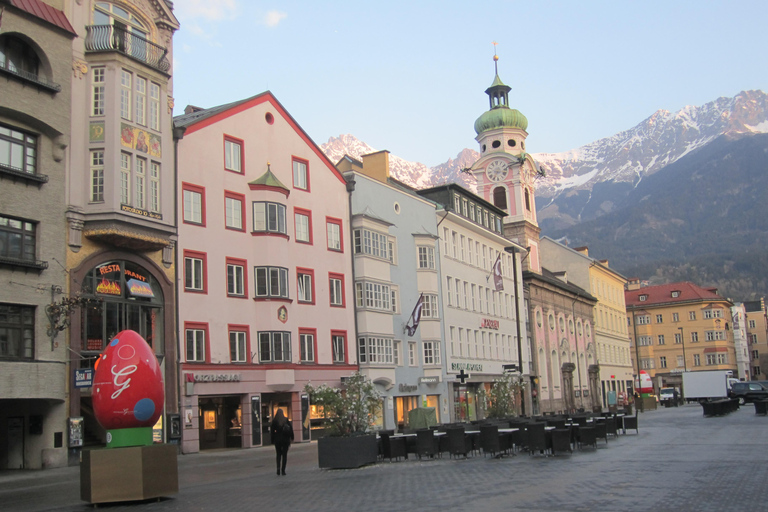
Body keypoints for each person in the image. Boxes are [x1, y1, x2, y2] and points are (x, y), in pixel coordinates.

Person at [270, 409, 293, 476]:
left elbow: (272, 431)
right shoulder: (285, 420)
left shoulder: (275, 421)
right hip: (285, 440)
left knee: (278, 454)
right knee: (284, 455)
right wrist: (292, 437)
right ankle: (283, 470)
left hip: (278, 440)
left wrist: (272, 440)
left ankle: (278, 469)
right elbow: (290, 429)